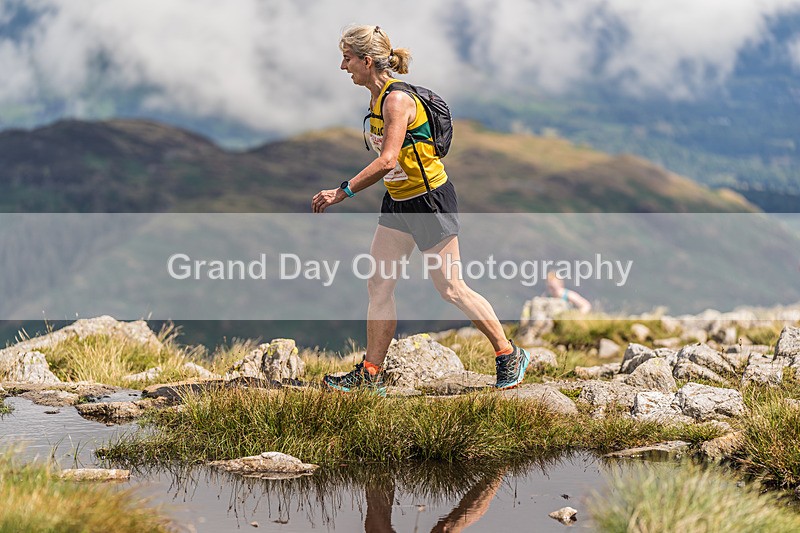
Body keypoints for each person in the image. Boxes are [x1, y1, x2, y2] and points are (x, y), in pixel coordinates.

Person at [312, 24, 529, 394]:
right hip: (398, 200)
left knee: (451, 288)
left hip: (428, 202)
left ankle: (509, 354)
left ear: (367, 60)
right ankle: (371, 374)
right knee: (379, 283)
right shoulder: (375, 99)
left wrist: (341, 192)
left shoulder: (396, 100)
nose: (342, 66)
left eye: (347, 58)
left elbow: (386, 160)